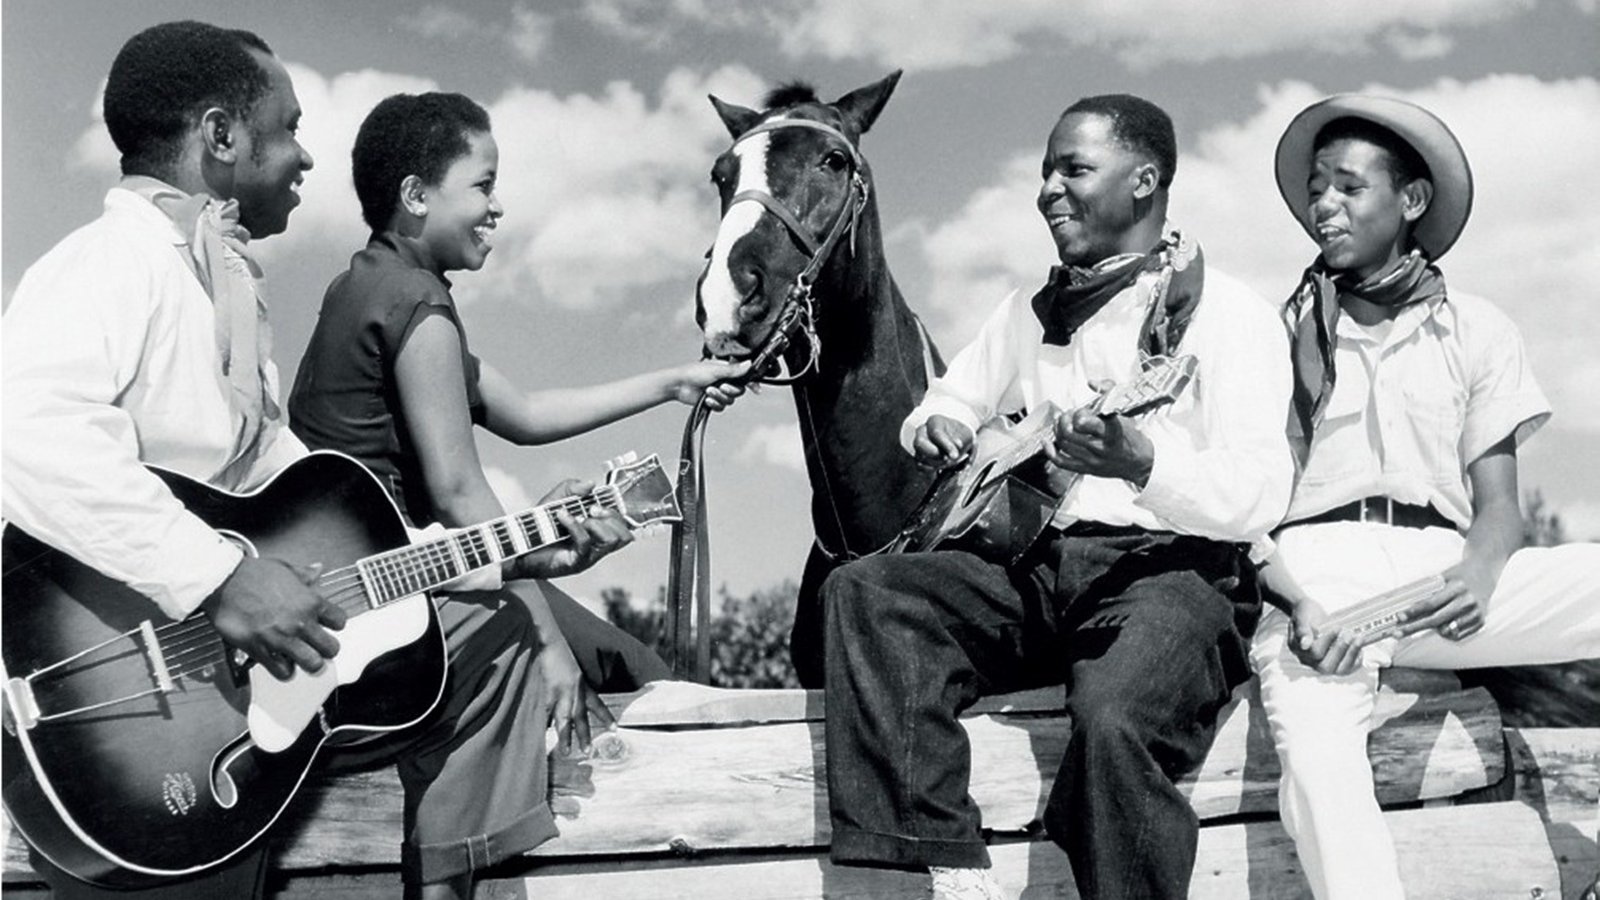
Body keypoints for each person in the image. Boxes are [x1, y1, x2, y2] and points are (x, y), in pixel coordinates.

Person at [1, 23, 626, 900]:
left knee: (484, 641)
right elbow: (26, 433)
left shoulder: (222, 286)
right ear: (221, 137)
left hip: (231, 700)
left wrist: (512, 549)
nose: (305, 156)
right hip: (130, 705)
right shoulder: (105, 264)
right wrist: (220, 581)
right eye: (288, 127)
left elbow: (311, 510)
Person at [821, 94, 1294, 900]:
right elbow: (948, 399)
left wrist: (1144, 464)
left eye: (1074, 168)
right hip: (1039, 570)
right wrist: (935, 425)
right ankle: (942, 866)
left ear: (1145, 180)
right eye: (1045, 171)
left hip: (1174, 576)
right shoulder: (1029, 311)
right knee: (866, 591)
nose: (1047, 189)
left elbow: (1258, 496)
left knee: (1114, 721)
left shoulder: (1232, 314)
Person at [1250, 94, 1600, 900]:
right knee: (1319, 757)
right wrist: (1294, 600)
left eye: (1347, 187)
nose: (1323, 206)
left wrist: (1477, 574)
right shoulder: (1276, 336)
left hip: (1446, 568)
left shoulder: (1477, 328)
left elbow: (1500, 505)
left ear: (1409, 202)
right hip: (1319, 577)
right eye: (1315, 189)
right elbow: (1248, 508)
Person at [286, 91, 745, 697]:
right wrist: (545, 641)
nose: (497, 207)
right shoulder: (418, 303)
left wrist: (673, 383)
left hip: (361, 579)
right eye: (483, 186)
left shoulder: (366, 285)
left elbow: (525, 415)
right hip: (393, 594)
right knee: (642, 678)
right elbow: (458, 491)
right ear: (417, 196)